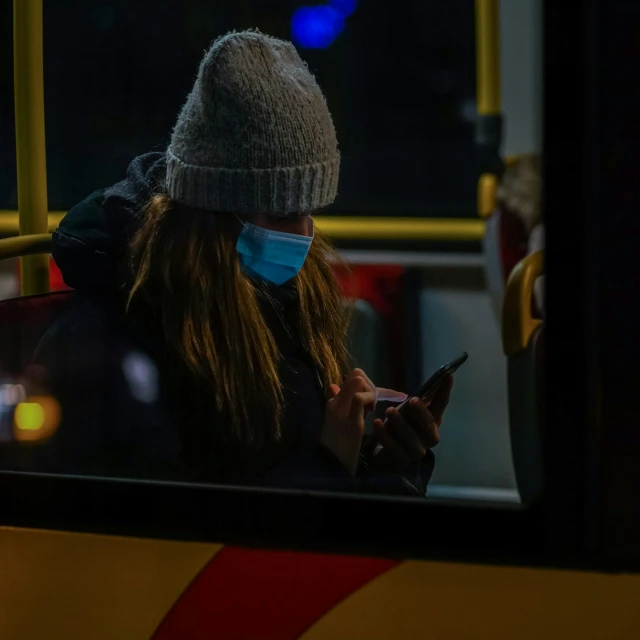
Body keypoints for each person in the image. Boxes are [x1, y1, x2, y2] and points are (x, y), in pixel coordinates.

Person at [31, 30, 454, 495]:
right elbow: (172, 544)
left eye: (310, 212)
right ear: (210, 217)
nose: (305, 236)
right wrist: (330, 467)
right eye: (282, 214)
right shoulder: (106, 347)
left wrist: (386, 463)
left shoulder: (274, 300)